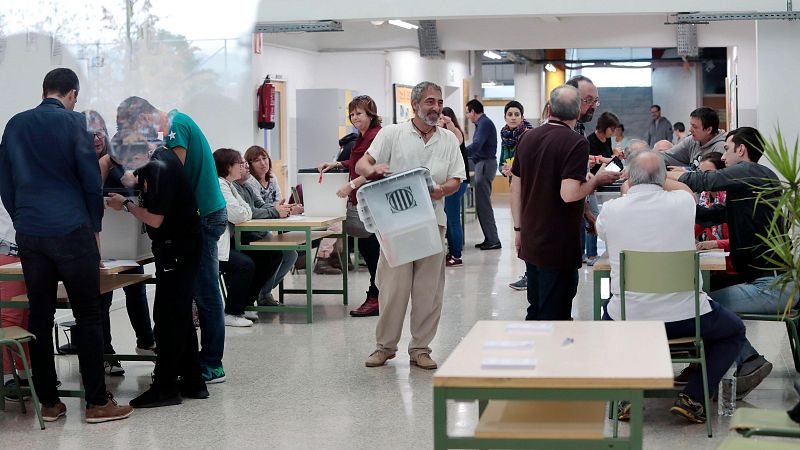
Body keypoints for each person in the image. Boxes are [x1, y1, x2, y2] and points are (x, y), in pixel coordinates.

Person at [0, 68, 132, 422]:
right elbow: (91, 180)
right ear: (72, 94)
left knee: (40, 317)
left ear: (44, 91)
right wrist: (93, 224)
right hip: (71, 229)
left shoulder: (14, 124)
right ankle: (96, 403)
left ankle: (49, 402)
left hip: (30, 233)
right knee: (88, 314)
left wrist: (23, 217)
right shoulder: (75, 124)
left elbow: (6, 182)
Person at [597, 149, 745, 424]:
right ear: (663, 178)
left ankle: (627, 394)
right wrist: (659, 178)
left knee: (608, 320)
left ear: (631, 177)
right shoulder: (682, 203)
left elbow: (604, 232)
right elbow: (685, 188)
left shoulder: (612, 209)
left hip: (632, 318)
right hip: (687, 318)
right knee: (733, 331)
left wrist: (630, 185)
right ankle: (695, 398)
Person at [669, 126, 799, 399]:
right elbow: (708, 215)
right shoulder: (748, 187)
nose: (724, 156)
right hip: (766, 281)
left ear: (741, 150)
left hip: (774, 285)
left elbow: (706, 180)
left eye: (727, 149)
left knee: (704, 308)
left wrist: (662, 175)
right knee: (704, 303)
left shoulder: (754, 172)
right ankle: (704, 369)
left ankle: (749, 360)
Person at [115, 95, 228, 384]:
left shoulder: (176, 128)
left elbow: (170, 181)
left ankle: (212, 363)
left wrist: (133, 192)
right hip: (200, 215)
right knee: (191, 294)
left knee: (204, 292)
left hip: (202, 216)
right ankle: (191, 362)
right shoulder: (173, 127)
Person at [356, 81, 465, 369]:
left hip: (432, 223)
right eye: (430, 101)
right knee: (393, 288)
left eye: (439, 102)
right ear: (415, 104)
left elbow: (457, 178)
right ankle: (385, 347)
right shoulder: (393, 134)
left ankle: (420, 349)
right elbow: (361, 166)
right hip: (396, 226)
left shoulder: (449, 140)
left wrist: (442, 189)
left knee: (429, 290)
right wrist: (373, 169)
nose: (436, 107)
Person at [106, 137, 209, 408]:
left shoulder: (158, 167)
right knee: (179, 315)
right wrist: (136, 184)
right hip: (182, 245)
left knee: (167, 318)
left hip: (177, 247)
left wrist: (125, 205)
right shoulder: (162, 158)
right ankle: (193, 381)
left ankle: (164, 388)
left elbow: (155, 218)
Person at [510, 84, 619, 321]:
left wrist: (518, 229)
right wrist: (597, 179)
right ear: (578, 113)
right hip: (558, 243)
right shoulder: (575, 142)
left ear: (549, 108)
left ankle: (535, 355)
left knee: (536, 306)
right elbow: (569, 194)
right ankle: (552, 357)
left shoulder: (527, 138)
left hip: (532, 236)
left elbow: (515, 187)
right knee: (556, 313)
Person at [83, 110, 156, 377]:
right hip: (97, 242)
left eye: (99, 132)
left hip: (126, 242)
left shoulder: (120, 161)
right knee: (101, 298)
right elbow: (91, 195)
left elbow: (135, 187)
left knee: (136, 287)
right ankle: (107, 354)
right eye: (89, 134)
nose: (95, 139)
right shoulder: (83, 163)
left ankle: (146, 342)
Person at [319, 95, 383, 316]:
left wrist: (351, 185)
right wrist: (338, 163)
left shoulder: (376, 136)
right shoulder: (361, 136)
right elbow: (356, 163)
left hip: (373, 200)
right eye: (352, 114)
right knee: (369, 249)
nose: (355, 117)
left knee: (373, 251)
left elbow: (375, 168)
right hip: (363, 200)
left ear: (370, 115)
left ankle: (377, 296)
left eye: (360, 113)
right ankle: (377, 294)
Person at [214, 148, 283, 327]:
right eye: (240, 163)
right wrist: (246, 212)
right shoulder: (220, 184)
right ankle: (232, 311)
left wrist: (245, 212)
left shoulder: (231, 185)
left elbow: (246, 209)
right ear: (229, 167)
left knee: (271, 256)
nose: (244, 167)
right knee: (245, 264)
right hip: (216, 246)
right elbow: (240, 214)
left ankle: (244, 304)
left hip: (231, 241)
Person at [232, 157, 297, 307]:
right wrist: (275, 211)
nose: (246, 167)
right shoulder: (233, 187)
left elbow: (261, 205)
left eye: (247, 164)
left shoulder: (246, 186)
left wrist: (282, 209)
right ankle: (262, 294)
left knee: (290, 254)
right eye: (242, 164)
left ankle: (263, 292)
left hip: (259, 232)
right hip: (246, 235)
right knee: (276, 253)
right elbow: (252, 212)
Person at [498, 101, 533, 288]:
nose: (513, 117)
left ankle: (531, 274)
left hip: (529, 190)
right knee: (521, 232)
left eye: (516, 114)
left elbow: (534, 164)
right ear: (505, 117)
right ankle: (530, 273)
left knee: (527, 232)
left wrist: (517, 168)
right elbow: (502, 162)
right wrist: (505, 169)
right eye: (509, 114)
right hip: (515, 189)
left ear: (522, 117)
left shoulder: (529, 135)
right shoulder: (505, 136)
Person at [694, 153, 739, 289]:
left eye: (708, 173)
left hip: (735, 270)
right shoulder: (705, 197)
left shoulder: (732, 199)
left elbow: (741, 241)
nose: (704, 178)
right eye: (700, 174)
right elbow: (698, 225)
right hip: (717, 268)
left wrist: (713, 243)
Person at [585, 111, 620, 265]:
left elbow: (607, 157)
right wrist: (606, 159)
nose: (613, 132)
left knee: (595, 215)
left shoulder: (607, 139)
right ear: (605, 127)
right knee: (593, 216)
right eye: (611, 129)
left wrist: (615, 155)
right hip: (591, 180)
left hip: (605, 178)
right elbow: (593, 158)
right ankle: (591, 255)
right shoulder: (590, 140)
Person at [465, 99, 500, 250]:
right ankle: (489, 238)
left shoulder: (484, 123)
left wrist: (460, 153)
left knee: (484, 204)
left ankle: (493, 240)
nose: (467, 116)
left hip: (485, 165)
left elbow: (477, 145)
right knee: (481, 204)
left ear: (473, 112)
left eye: (468, 112)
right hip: (482, 163)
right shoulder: (482, 123)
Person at [439, 106, 470, 268]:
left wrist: (448, 122)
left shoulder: (454, 133)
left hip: (457, 182)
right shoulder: (443, 136)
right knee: (450, 219)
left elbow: (457, 137)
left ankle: (456, 254)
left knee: (452, 219)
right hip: (453, 182)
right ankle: (453, 252)